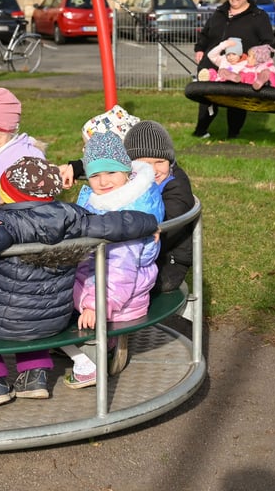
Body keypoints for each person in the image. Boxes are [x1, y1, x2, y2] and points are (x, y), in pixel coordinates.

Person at [0, 157, 160, 407]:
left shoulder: (8, 222)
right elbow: (117, 223)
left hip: (4, 321)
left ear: (9, 194)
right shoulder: (73, 216)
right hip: (54, 319)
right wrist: (149, 222)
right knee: (32, 315)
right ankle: (35, 378)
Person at [63, 132, 163, 389]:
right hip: (96, 280)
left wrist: (96, 305)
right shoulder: (105, 202)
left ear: (127, 173)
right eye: (95, 175)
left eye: (111, 173)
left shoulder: (128, 216)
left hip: (117, 297)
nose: (103, 181)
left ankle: (102, 348)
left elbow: (120, 270)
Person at [193, 0, 275, 139]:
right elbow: (205, 34)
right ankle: (200, 131)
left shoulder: (258, 16)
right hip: (213, 62)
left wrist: (256, 58)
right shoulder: (219, 13)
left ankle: (233, 134)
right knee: (207, 99)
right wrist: (200, 49)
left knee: (236, 101)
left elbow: (268, 44)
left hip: (241, 67)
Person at [124, 120, 196, 294]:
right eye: (145, 163)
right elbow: (103, 167)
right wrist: (77, 167)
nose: (154, 170)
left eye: (159, 162)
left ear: (170, 162)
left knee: (108, 283)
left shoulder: (176, 186)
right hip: (136, 256)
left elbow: (167, 225)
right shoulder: (131, 178)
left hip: (166, 263)